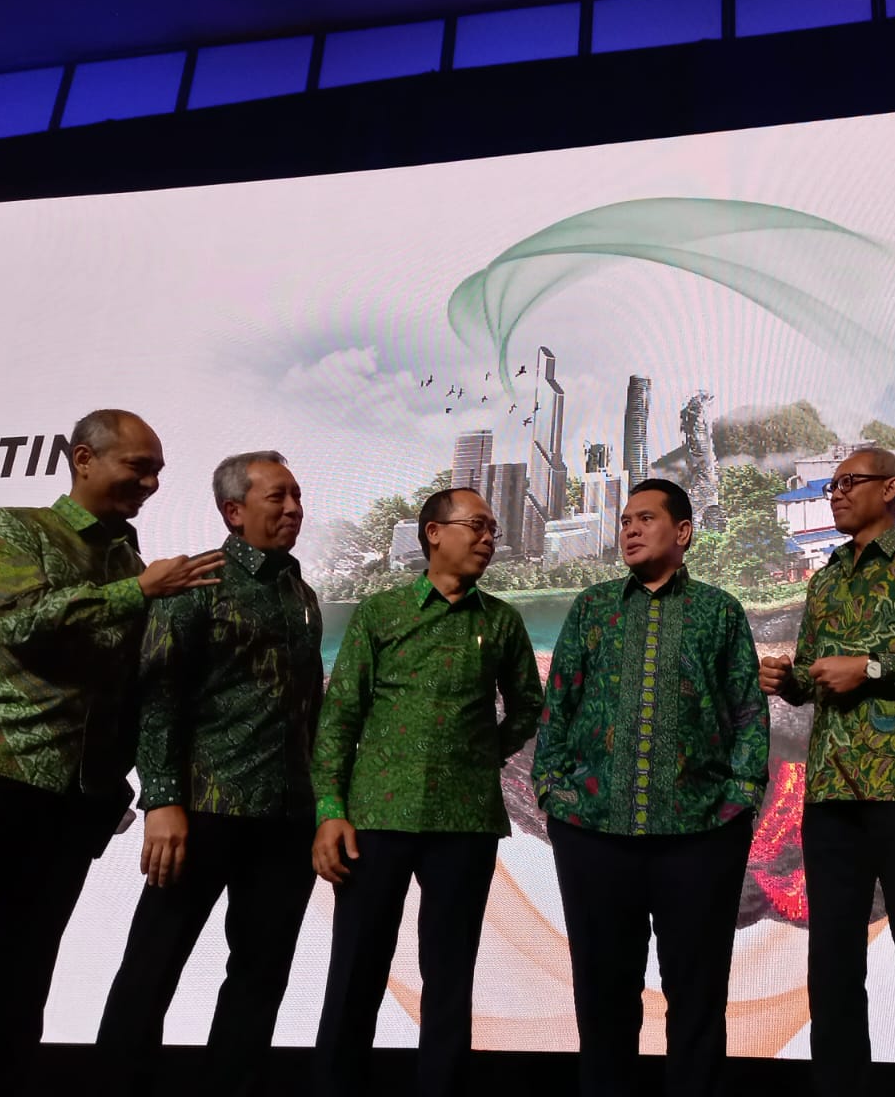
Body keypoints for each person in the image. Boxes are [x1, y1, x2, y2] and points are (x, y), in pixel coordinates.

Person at [0, 409, 223, 1093]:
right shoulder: (16, 528)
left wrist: (131, 787)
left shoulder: (129, 562)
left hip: (70, 805)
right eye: (139, 467)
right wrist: (140, 591)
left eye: (158, 471)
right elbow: (20, 623)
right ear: (83, 459)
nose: (152, 483)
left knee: (17, 993)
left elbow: (134, 688)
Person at [758, 447, 895, 1097]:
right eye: (830, 485)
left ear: (890, 489)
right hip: (831, 793)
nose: (834, 493)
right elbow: (814, 680)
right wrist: (789, 680)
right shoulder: (825, 579)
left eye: (847, 482)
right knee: (831, 964)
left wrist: (873, 668)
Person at [532, 479, 769, 1097]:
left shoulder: (720, 611)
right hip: (593, 834)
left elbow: (748, 712)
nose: (630, 529)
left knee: (697, 996)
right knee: (603, 997)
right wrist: (553, 792)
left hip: (701, 837)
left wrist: (740, 800)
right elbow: (558, 706)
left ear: (683, 532)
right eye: (625, 521)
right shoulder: (592, 607)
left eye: (646, 518)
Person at [96, 451, 324, 1095]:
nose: (293, 508)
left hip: (287, 818)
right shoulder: (197, 581)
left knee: (261, 977)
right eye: (277, 497)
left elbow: (311, 708)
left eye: (297, 496)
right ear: (233, 511)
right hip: (201, 812)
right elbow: (158, 697)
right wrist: (162, 800)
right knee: (151, 967)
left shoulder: (302, 594)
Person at [309, 487, 543, 1097]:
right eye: (477, 526)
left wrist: (482, 753)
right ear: (434, 533)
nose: (489, 538)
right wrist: (330, 810)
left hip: (465, 823)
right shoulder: (380, 613)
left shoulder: (502, 621)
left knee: (450, 976)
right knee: (355, 969)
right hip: (375, 818)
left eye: (493, 529)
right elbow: (340, 716)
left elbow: (528, 704)